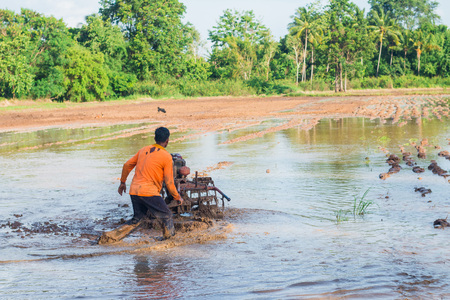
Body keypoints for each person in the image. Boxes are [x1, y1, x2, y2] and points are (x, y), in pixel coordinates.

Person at [118, 126, 183, 239]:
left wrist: (122, 182)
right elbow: (169, 182)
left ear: (155, 138)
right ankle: (170, 241)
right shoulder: (166, 157)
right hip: (149, 192)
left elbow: (127, 165)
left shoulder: (144, 150)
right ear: (167, 140)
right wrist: (177, 197)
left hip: (134, 190)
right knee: (167, 215)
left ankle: (112, 237)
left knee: (138, 219)